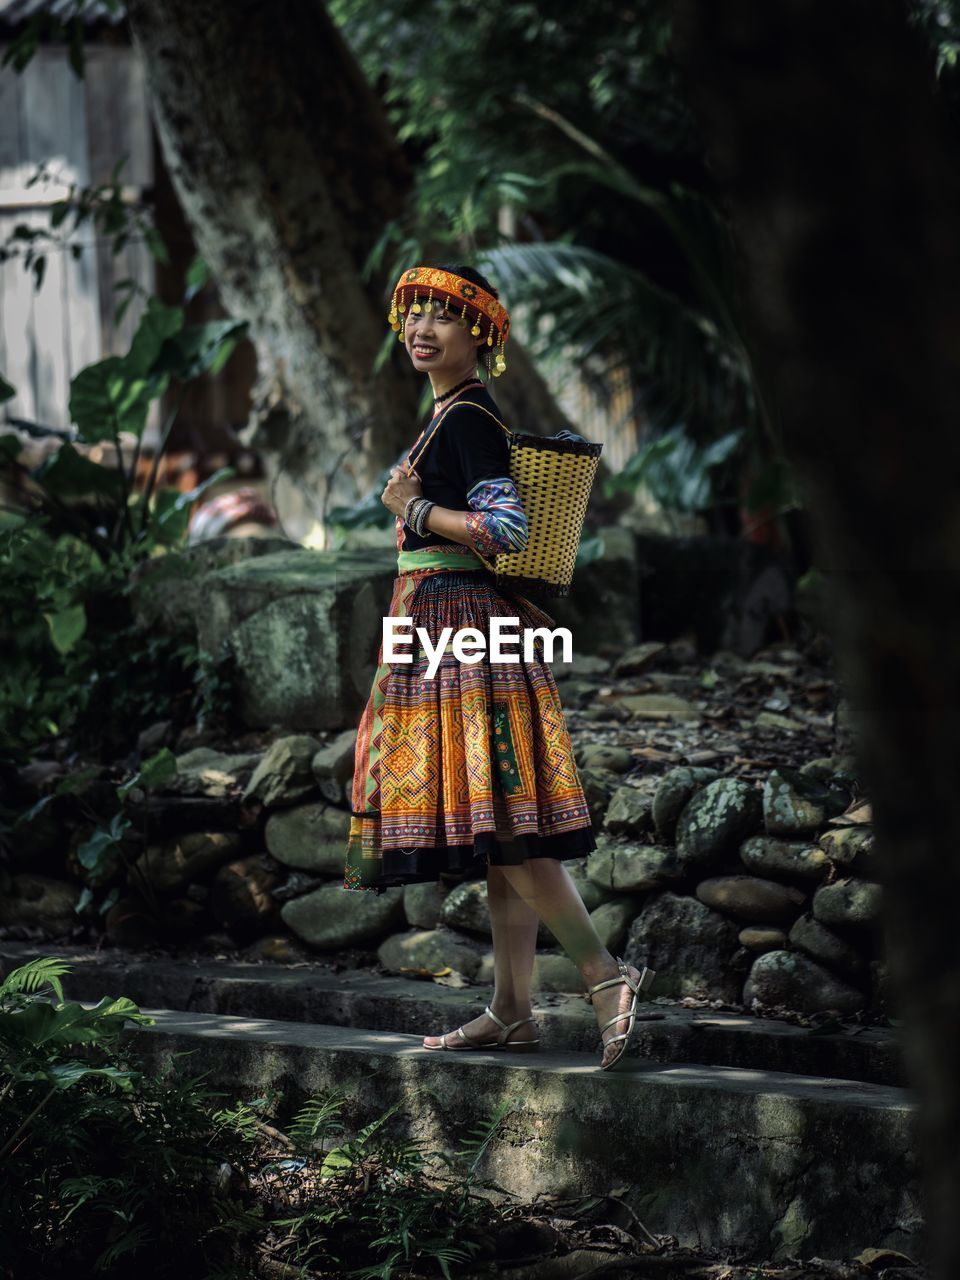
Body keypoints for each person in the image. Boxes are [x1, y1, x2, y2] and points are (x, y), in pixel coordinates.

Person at [341, 263, 654, 1070]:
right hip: (446, 625)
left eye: (443, 317)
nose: (421, 329)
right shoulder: (446, 414)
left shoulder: (471, 415)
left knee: (510, 825)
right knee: (495, 831)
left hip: (463, 631)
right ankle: (512, 1009)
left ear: (480, 335)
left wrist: (412, 508)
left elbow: (506, 527)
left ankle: (606, 977)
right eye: (413, 314)